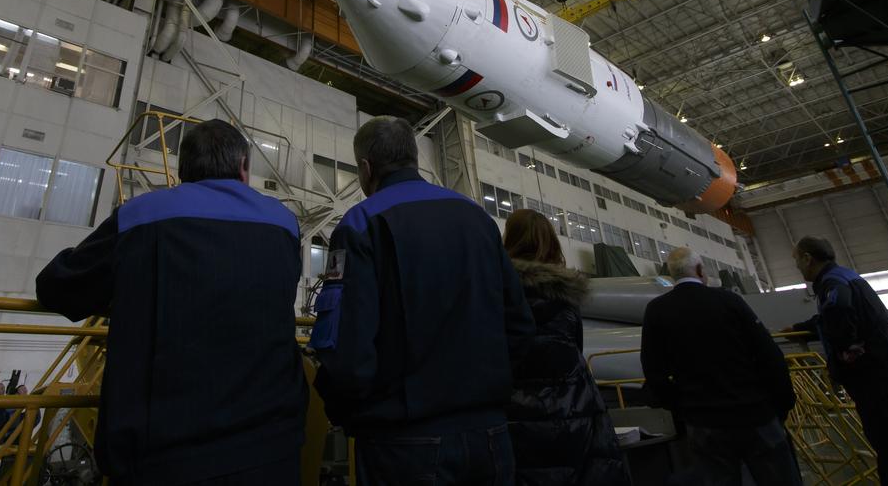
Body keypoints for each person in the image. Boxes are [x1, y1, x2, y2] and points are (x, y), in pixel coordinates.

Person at [37, 119, 308, 485]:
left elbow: (58, 288)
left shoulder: (142, 215)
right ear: (244, 168)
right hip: (270, 450)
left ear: (183, 170)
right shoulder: (284, 225)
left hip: (163, 455)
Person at [312, 116, 535, 486]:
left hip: (403, 442)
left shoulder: (361, 223)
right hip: (491, 435)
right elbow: (520, 327)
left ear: (366, 169)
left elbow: (349, 348)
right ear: (414, 159)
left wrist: (349, 411)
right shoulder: (477, 218)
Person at [641, 247, 799, 486]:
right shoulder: (729, 301)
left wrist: (683, 408)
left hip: (704, 423)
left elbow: (654, 374)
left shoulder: (657, 311)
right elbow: (770, 356)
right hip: (755, 415)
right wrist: (782, 404)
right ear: (700, 270)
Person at [788, 236, 888, 486]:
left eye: (796, 259)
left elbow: (840, 318)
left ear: (807, 258)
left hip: (881, 389)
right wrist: (802, 327)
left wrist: (844, 363)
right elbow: (835, 316)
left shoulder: (832, 284)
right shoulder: (846, 278)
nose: (796, 266)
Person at [502, 209, 628, 486]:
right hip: (572, 411)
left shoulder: (494, 293)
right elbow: (575, 350)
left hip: (514, 417)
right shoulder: (566, 299)